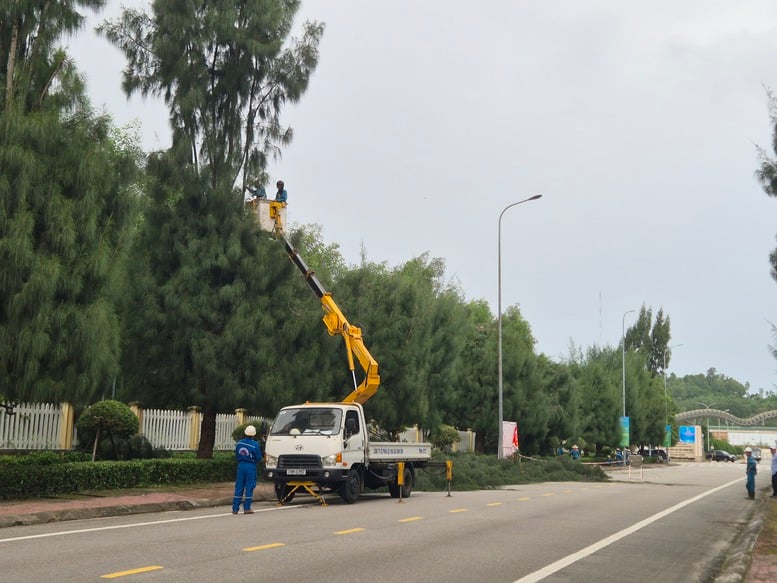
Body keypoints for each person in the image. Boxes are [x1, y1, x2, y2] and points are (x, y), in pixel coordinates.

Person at [233, 425, 261, 514]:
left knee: (239, 486)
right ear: (253, 435)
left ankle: (235, 508)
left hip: (241, 466)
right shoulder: (255, 445)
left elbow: (237, 455)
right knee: (249, 486)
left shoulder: (239, 443)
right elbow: (258, 458)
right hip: (250, 466)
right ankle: (247, 508)